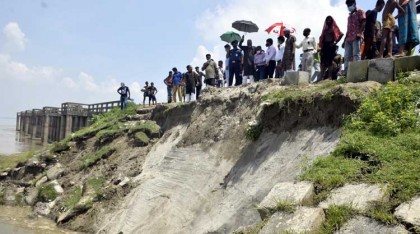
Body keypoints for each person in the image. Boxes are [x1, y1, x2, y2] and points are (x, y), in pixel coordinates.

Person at [342, 0, 366, 76]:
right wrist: (344, 40)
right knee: (346, 57)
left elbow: (363, 22)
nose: (349, 6)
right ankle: (346, 73)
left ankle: (356, 73)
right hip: (348, 38)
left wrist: (359, 33)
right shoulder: (349, 16)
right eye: (347, 5)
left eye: (350, 4)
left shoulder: (360, 11)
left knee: (356, 54)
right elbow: (348, 29)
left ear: (354, 4)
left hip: (356, 36)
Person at [319, 16, 344, 80]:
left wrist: (335, 42)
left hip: (331, 45)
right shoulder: (325, 29)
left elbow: (341, 34)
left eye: (329, 20)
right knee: (322, 61)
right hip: (325, 46)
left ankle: (330, 77)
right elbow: (322, 37)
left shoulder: (334, 28)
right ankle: (321, 77)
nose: (328, 21)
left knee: (330, 61)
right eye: (327, 20)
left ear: (332, 20)